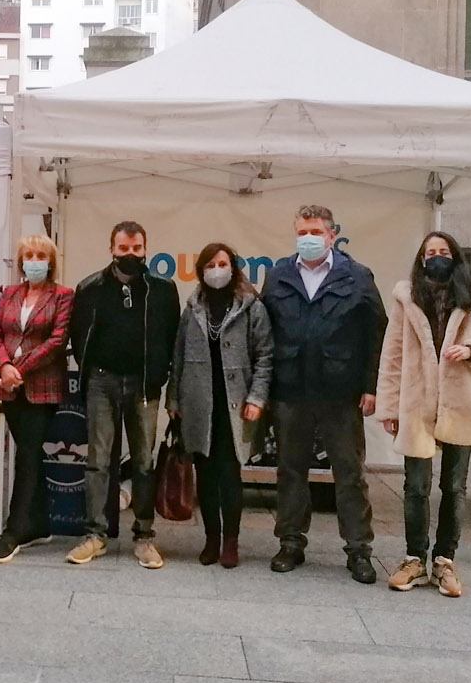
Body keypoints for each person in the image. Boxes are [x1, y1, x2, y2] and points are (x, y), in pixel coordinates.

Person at [377, 232, 471, 598]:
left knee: (453, 486)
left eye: (444, 251)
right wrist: (389, 407)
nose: (437, 257)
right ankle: (414, 559)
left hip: (463, 403)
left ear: (456, 256)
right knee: (415, 486)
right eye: (430, 252)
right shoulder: (407, 296)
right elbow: (392, 356)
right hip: (417, 404)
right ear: (421, 260)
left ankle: (445, 561)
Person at [260, 204, 386, 583]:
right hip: (291, 389)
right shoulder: (278, 275)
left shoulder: (358, 276)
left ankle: (359, 549)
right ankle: (291, 542)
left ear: (332, 235)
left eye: (315, 232)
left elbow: (375, 334)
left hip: (340, 392)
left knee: (349, 473)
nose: (308, 238)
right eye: (302, 232)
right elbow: (264, 334)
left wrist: (371, 386)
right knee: (290, 471)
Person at [67, 220, 181, 569]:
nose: (130, 254)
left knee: (144, 463)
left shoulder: (163, 290)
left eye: (136, 248)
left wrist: (163, 380)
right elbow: (77, 334)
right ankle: (95, 536)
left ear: (146, 249)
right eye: (123, 248)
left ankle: (145, 537)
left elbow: (173, 338)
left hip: (145, 385)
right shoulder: (89, 288)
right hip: (102, 383)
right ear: (111, 249)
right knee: (98, 460)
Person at [169, 242, 273, 568]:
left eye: (223, 263)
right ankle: (211, 538)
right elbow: (178, 356)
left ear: (234, 267)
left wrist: (257, 398)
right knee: (206, 475)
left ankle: (231, 541)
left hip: (235, 406)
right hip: (199, 405)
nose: (217, 270)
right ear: (201, 270)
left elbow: (266, 357)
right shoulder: (192, 308)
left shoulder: (251, 307)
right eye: (211, 264)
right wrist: (174, 399)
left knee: (230, 475)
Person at [0, 235, 74, 564]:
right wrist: (3, 367)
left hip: (42, 387)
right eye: (29, 255)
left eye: (41, 255)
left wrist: (18, 369)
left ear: (50, 261)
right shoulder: (9, 294)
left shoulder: (63, 295)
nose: (34, 260)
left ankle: (14, 531)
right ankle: (39, 524)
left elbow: (57, 340)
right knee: (28, 452)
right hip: (9, 388)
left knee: (28, 455)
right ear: (21, 261)